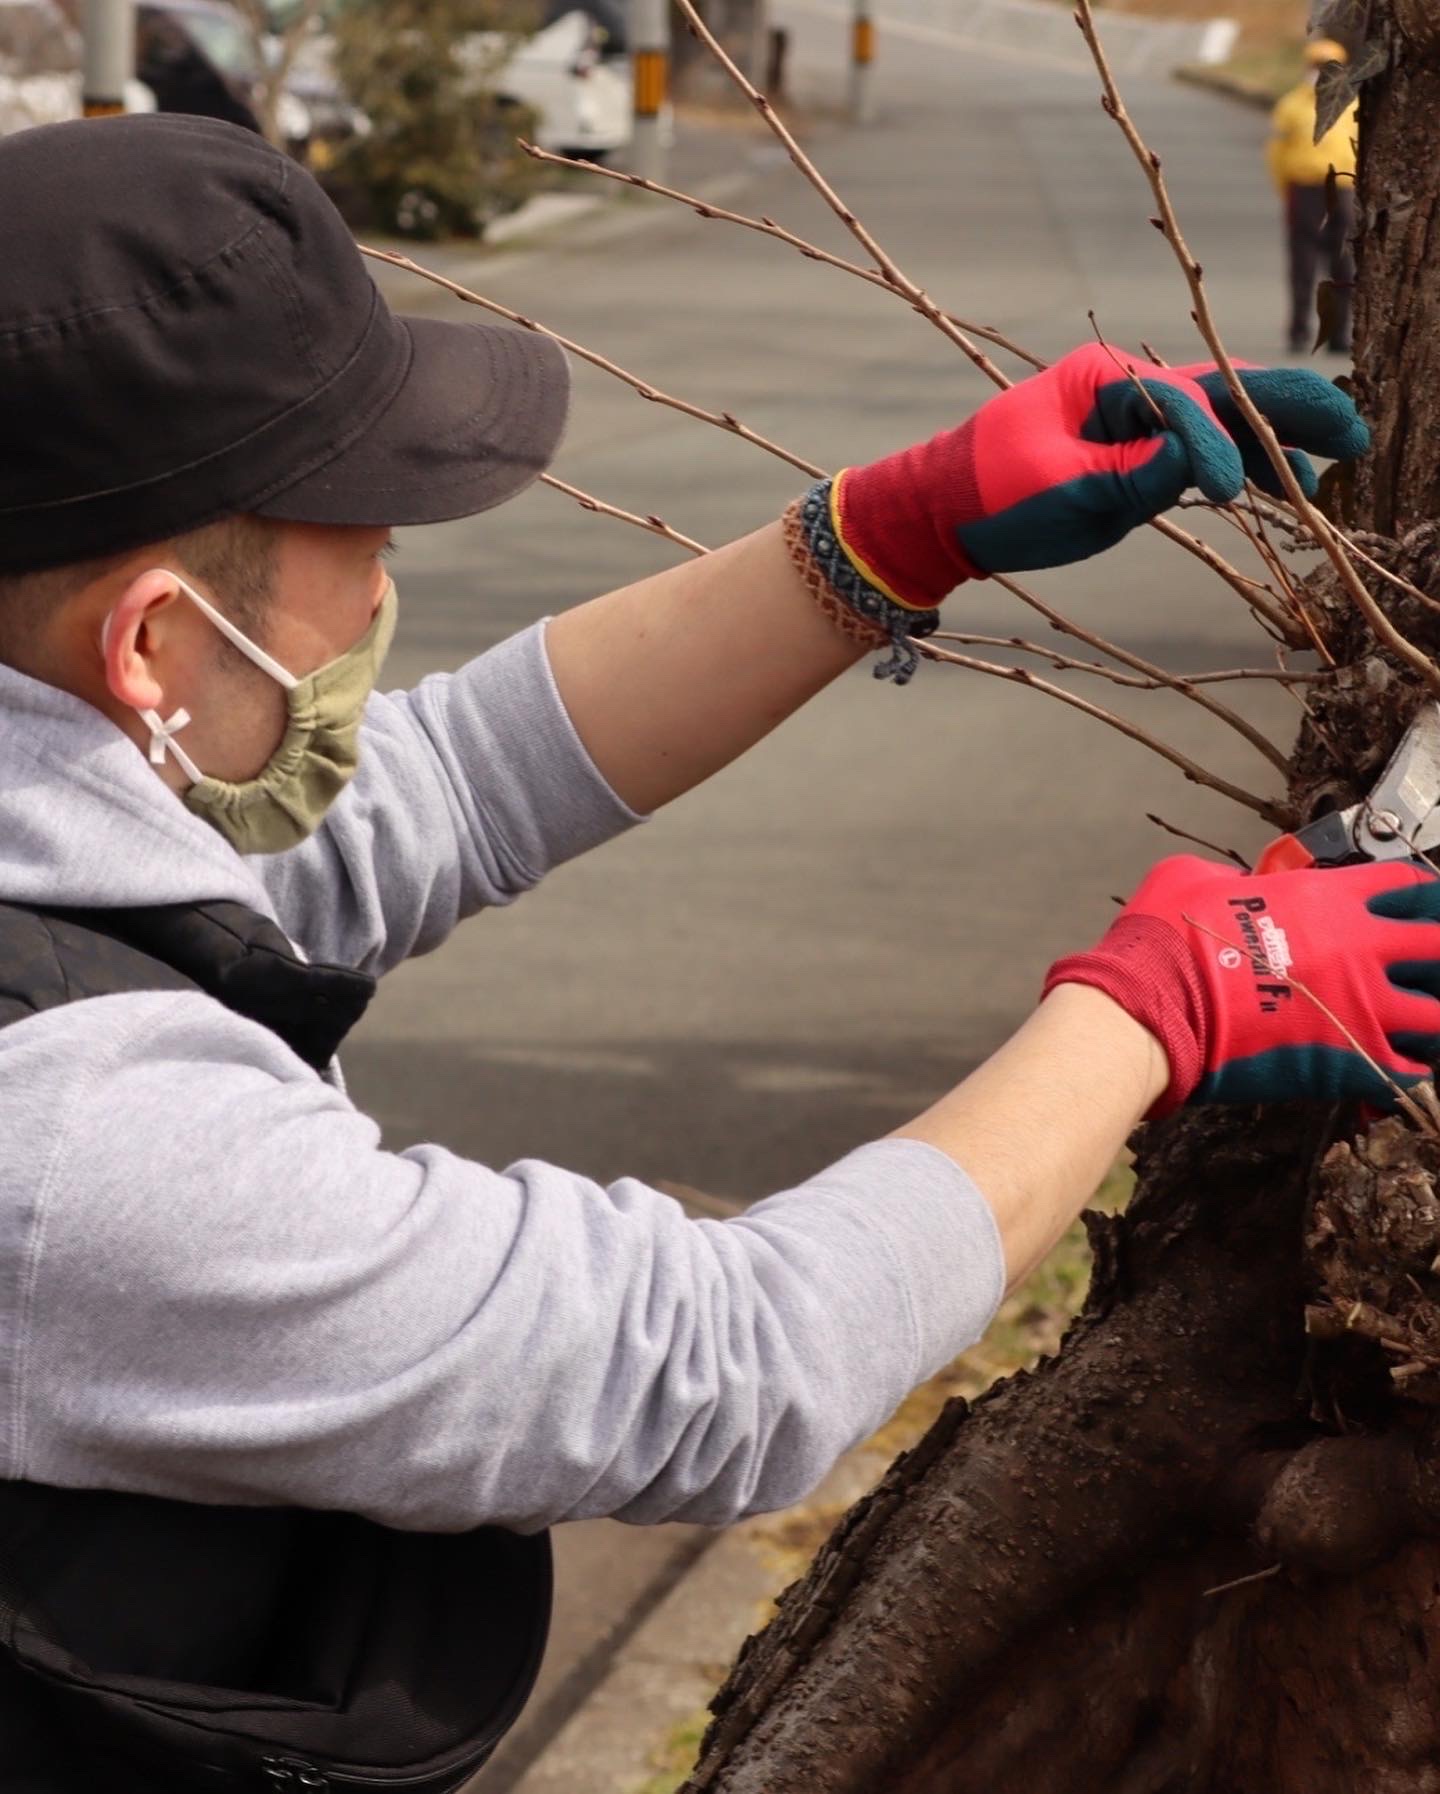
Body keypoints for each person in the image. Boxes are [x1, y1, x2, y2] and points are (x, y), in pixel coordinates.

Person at [0, 113, 1430, 1792]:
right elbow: (726, 1359)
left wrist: (888, 534)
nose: (390, 584)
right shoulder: (76, 1141)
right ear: (155, 641)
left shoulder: (72, 789)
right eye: (364, 537)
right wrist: (1161, 998)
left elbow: (446, 787)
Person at [1268, 36, 1358, 355]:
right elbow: (1277, 153)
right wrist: (1285, 187)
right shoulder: (1291, 106)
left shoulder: (1353, 106)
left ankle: (1339, 334)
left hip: (1343, 191)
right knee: (1302, 264)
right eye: (1317, 66)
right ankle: (1298, 331)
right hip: (1304, 188)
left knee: (1343, 265)